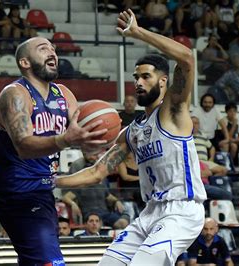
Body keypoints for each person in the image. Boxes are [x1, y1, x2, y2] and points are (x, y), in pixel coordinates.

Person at [56, 9, 207, 264]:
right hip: (150, 213)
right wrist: (51, 180)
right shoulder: (132, 132)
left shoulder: (173, 110)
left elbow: (187, 58)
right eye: (136, 77)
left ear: (163, 82)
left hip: (182, 210)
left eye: (146, 76)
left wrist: (138, 32)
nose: (138, 82)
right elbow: (97, 172)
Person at [0, 36, 107, 265]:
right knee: (50, 262)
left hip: (43, 190)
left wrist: (95, 138)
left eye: (53, 49)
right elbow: (23, 145)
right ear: (25, 62)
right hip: (17, 193)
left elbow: (80, 134)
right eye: (43, 49)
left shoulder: (63, 94)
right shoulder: (15, 94)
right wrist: (65, 140)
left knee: (34, 259)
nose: (52, 53)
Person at [62, 151, 130, 229]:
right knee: (95, 223)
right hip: (90, 215)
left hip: (105, 214)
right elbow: (65, 197)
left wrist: (116, 201)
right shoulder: (81, 185)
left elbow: (109, 196)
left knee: (123, 223)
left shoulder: (101, 185)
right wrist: (73, 204)